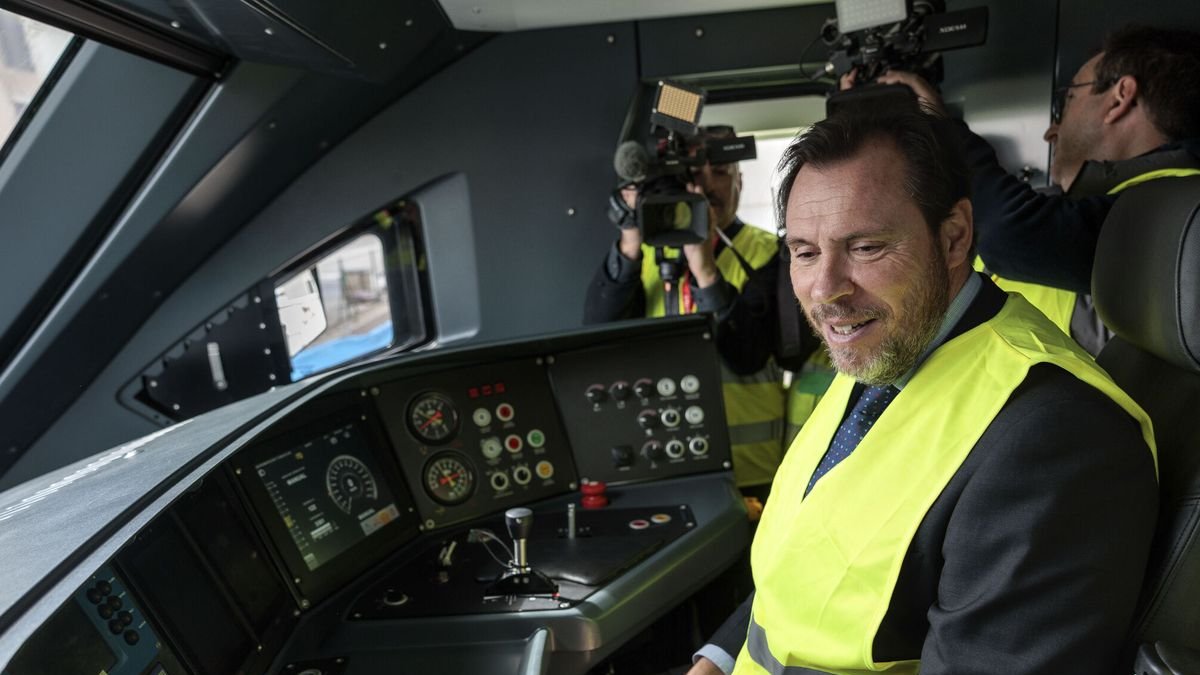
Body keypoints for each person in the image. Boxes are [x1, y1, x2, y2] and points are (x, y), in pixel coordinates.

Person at [688, 108, 1157, 674]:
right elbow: (802, 558)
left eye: (866, 248)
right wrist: (714, 660)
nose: (826, 290)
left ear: (955, 236)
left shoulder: (1055, 435)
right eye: (805, 252)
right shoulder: (883, 348)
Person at [874, 24, 1200, 354]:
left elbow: (1009, 232)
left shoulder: (1175, 209)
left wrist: (942, 128)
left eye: (1069, 99)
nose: (1051, 131)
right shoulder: (1106, 206)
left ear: (1119, 98)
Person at [583, 125, 786, 502]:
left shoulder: (769, 253)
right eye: (694, 176)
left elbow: (748, 355)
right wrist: (630, 241)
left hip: (752, 471)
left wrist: (705, 269)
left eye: (721, 173)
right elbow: (597, 336)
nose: (708, 188)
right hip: (663, 458)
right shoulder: (641, 255)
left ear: (740, 180)